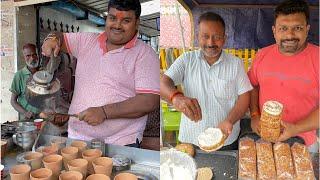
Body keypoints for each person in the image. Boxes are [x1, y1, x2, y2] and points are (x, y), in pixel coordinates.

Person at [41, 0, 159, 147]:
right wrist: (51, 40)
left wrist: (104, 112)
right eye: (112, 18)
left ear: (137, 22)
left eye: (126, 20)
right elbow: (58, 36)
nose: (117, 25)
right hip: (78, 139)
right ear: (106, 18)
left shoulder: (145, 54)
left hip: (120, 143)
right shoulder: (87, 40)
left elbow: (149, 101)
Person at [160, 12, 252, 150]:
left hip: (225, 139)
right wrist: (175, 97)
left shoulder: (235, 64)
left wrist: (229, 120)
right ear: (198, 38)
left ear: (225, 39)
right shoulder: (186, 60)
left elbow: (245, 96)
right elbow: (162, 82)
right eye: (205, 36)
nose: (211, 43)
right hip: (191, 140)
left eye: (217, 37)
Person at [248, 0, 319, 152]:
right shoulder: (262, 55)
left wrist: (295, 128)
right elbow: (253, 85)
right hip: (266, 138)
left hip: (304, 143)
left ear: (307, 29)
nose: (289, 35)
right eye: (283, 28)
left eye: (297, 28)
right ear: (274, 31)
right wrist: (254, 115)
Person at [10, 43, 46, 120]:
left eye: (34, 54)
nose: (32, 58)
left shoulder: (44, 74)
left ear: (38, 55)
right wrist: (25, 112)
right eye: (28, 56)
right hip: (27, 121)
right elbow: (13, 101)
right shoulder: (19, 75)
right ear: (24, 57)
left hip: (44, 118)